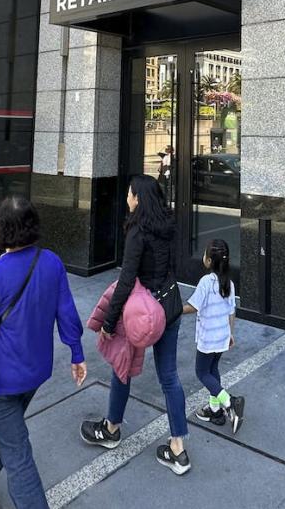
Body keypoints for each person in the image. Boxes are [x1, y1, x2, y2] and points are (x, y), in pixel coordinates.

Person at [0, 196, 86, 509]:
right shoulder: (52, 262)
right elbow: (67, 314)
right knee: (11, 434)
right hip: (35, 373)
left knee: (19, 455)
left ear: (0, 229)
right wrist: (76, 353)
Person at [81, 174, 190, 475]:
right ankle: (178, 448)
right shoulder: (166, 226)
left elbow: (126, 280)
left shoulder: (137, 232)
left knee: (122, 366)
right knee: (169, 377)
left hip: (142, 313)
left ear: (138, 199)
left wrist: (109, 321)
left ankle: (111, 429)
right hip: (170, 305)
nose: (127, 198)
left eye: (130, 194)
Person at [183, 238, 245, 434]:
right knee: (213, 369)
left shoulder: (206, 282)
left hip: (208, 339)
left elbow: (193, 307)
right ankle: (215, 410)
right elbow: (231, 310)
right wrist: (230, 333)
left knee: (202, 372)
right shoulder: (229, 283)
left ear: (208, 261)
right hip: (222, 337)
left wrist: (173, 310)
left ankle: (229, 402)